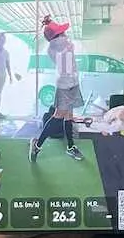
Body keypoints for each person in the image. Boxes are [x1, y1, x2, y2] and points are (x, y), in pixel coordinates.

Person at [29, 16, 85, 162]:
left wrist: (50, 24)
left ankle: (70, 147)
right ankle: (37, 145)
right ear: (57, 36)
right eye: (62, 32)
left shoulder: (60, 45)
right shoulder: (58, 46)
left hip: (72, 82)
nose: (65, 33)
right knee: (58, 116)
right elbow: (66, 63)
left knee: (69, 115)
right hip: (66, 85)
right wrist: (67, 48)